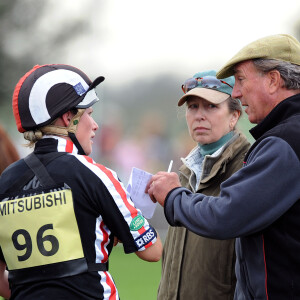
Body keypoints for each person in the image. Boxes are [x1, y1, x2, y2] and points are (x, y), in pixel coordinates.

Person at [146, 33, 300, 300]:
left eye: (240, 80)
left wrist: (172, 197)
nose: (237, 92)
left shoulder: (281, 143)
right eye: (193, 107)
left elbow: (226, 215)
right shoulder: (184, 171)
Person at [0, 64, 162, 300]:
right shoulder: (95, 173)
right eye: (89, 113)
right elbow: (153, 251)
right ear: (68, 118)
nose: (95, 125)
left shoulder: (5, 180)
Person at [157, 70, 250, 300]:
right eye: (193, 107)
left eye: (211, 106)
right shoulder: (185, 171)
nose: (199, 115)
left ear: (234, 115)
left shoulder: (248, 167)